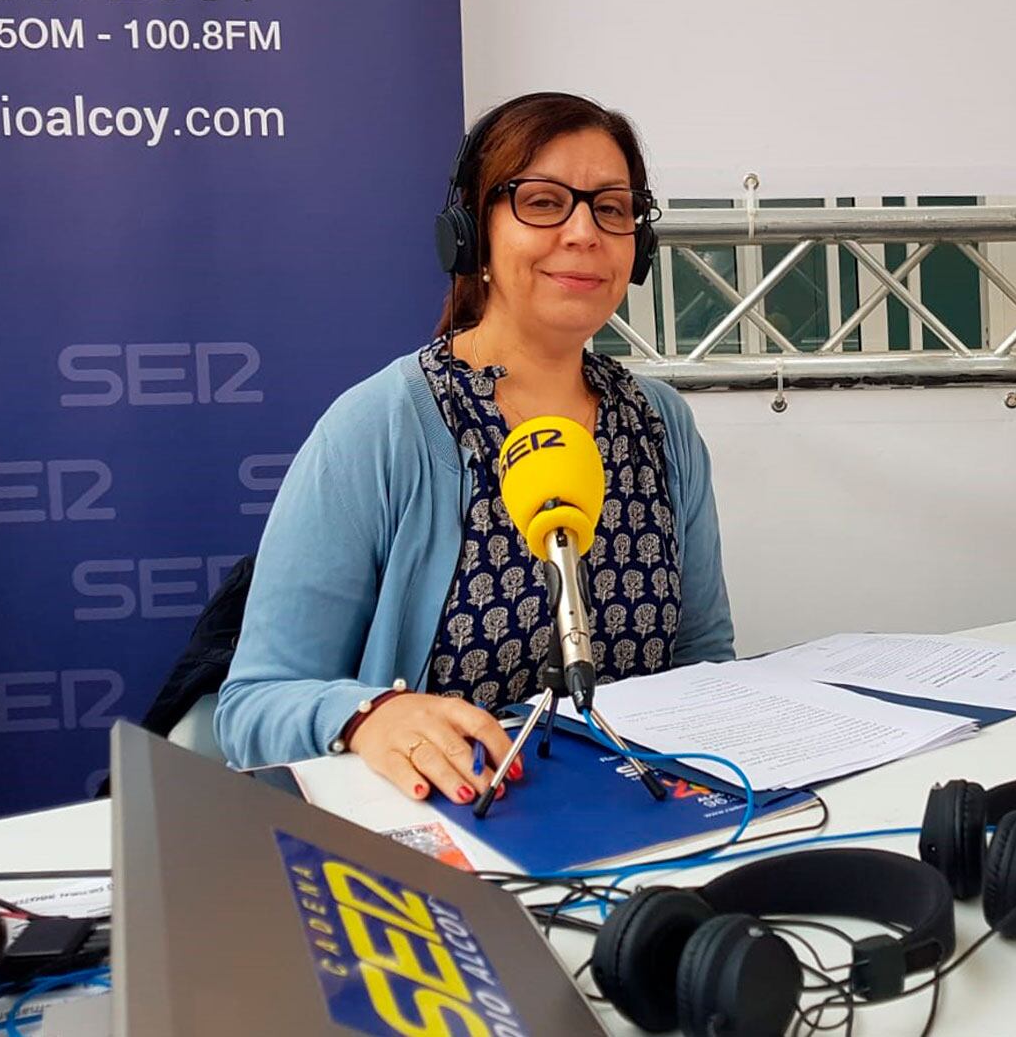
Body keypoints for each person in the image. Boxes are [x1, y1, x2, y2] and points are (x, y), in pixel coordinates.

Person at [216, 92, 735, 802]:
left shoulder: (661, 423)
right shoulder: (381, 425)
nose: (585, 232)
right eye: (544, 202)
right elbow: (252, 706)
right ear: (472, 235)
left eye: (613, 209)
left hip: (640, 819)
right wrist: (369, 716)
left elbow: (705, 662)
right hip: (451, 828)